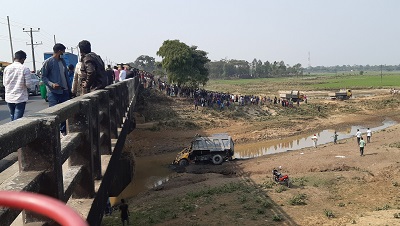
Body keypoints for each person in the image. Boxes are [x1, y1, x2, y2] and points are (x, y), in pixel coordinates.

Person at [41, 43, 70, 135]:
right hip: (53, 92)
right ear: (59, 51)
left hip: (64, 91)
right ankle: (53, 133)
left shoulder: (63, 62)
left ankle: (63, 131)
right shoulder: (48, 62)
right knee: (53, 114)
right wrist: (52, 84)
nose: (64, 53)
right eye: (63, 51)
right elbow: (43, 77)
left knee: (64, 113)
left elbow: (66, 76)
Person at [3, 50, 32, 121]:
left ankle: (11, 130)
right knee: (17, 119)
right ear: (23, 59)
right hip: (20, 97)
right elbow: (28, 84)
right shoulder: (25, 69)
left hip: (9, 97)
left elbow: (4, 83)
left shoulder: (7, 68)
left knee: (12, 116)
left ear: (14, 58)